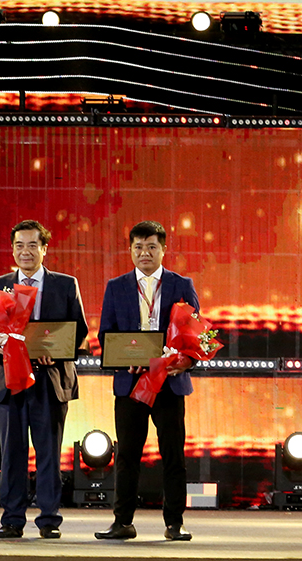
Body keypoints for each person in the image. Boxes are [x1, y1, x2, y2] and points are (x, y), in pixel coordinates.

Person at [0, 220, 88, 539]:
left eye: (32, 245)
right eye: (19, 245)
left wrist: (58, 353)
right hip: (10, 383)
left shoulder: (65, 285)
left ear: (44, 248)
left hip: (50, 382)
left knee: (49, 453)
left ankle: (49, 519)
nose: (25, 251)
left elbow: (79, 332)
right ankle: (11, 519)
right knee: (11, 455)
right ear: (12, 249)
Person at [94, 220, 197, 542]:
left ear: (163, 249)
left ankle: (175, 524)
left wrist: (186, 361)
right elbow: (106, 334)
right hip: (131, 384)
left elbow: (196, 334)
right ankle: (122, 522)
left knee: (173, 455)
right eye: (138, 247)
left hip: (169, 384)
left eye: (152, 246)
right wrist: (125, 358)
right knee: (127, 456)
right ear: (130, 250)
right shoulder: (117, 286)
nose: (145, 253)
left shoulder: (182, 285)